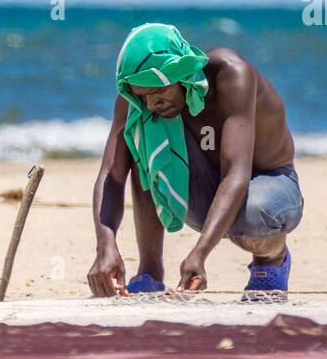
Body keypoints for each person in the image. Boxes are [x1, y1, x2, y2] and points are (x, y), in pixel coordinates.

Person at [87, 23, 303, 299]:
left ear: (181, 72)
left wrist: (199, 254)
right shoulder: (138, 98)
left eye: (159, 91)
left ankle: (271, 261)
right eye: (143, 95)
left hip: (269, 185)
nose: (152, 103)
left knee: (254, 214)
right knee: (142, 131)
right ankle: (150, 272)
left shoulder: (230, 73)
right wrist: (105, 245)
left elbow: (237, 173)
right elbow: (111, 175)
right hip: (205, 189)